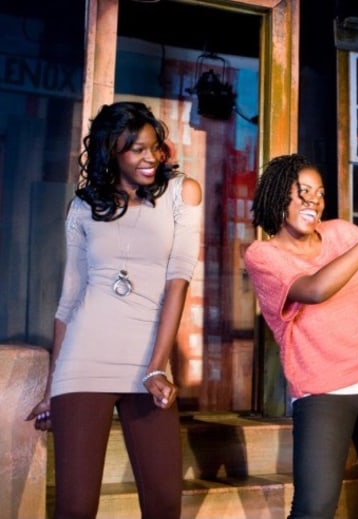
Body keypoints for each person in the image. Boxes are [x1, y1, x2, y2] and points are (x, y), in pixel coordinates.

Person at [25, 101, 203, 519]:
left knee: (163, 504)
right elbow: (70, 298)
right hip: (83, 358)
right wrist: (52, 385)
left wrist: (157, 366)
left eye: (154, 147)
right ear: (112, 152)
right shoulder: (83, 207)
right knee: (75, 507)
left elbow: (179, 279)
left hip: (147, 361)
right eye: (135, 149)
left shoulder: (181, 193)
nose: (149, 158)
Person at [243, 153, 358, 519]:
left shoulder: (341, 233)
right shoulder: (263, 255)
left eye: (319, 194)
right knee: (315, 509)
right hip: (321, 391)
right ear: (278, 197)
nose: (314, 201)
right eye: (302, 192)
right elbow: (316, 289)